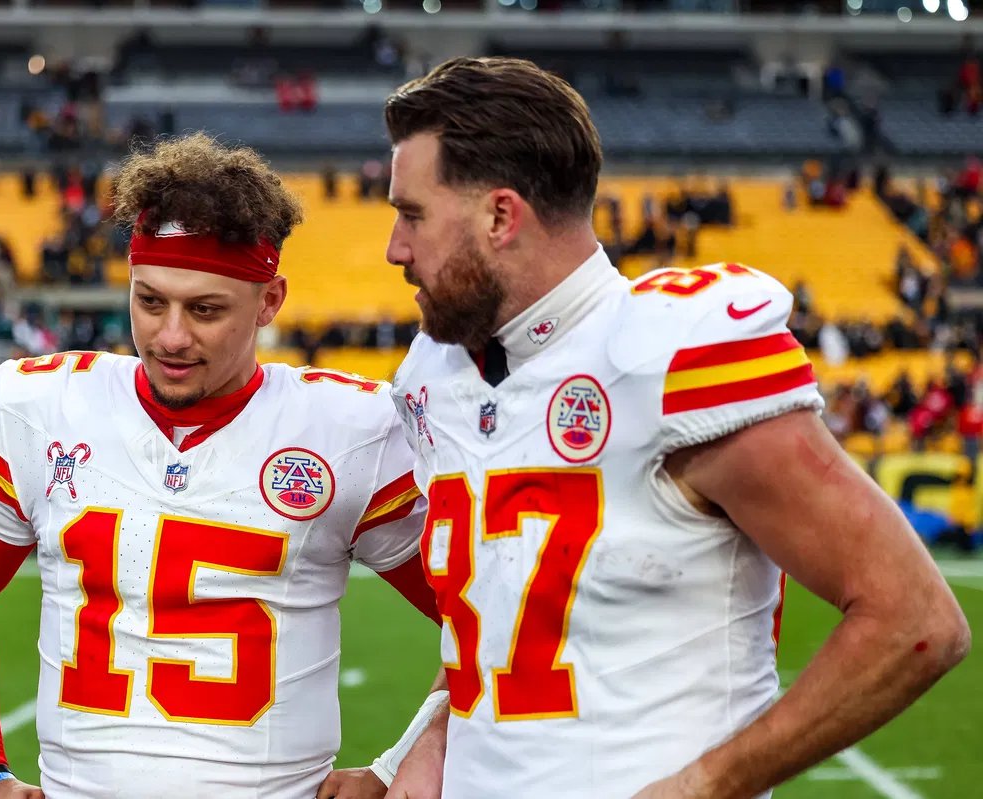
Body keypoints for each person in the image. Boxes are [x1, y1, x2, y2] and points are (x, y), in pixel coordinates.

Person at [380, 57, 970, 799]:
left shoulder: (669, 354)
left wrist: (703, 784)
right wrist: (426, 740)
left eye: (412, 215)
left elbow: (915, 619)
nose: (395, 248)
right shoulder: (436, 374)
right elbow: (502, 614)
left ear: (501, 216)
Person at [0, 133, 442, 799]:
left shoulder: (348, 430)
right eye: (150, 300)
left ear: (269, 301)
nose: (170, 336)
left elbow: (489, 617)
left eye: (205, 309)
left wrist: (402, 762)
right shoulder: (42, 407)